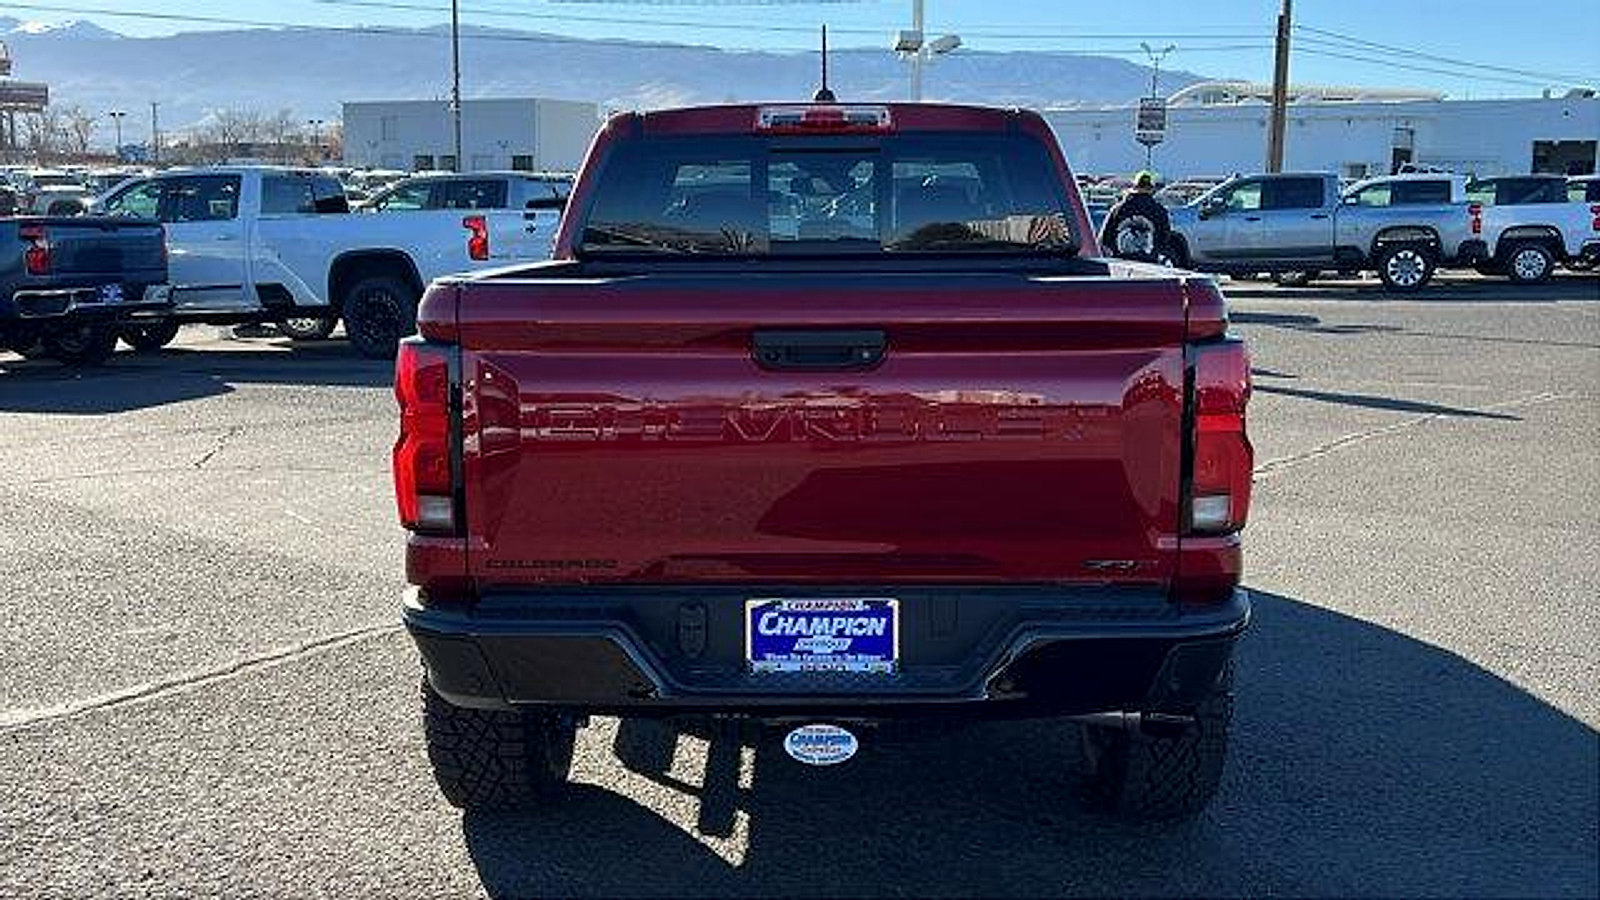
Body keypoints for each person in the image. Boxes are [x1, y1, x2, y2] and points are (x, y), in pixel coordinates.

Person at [1098, 170, 1171, 263]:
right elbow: (1165, 240)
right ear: (1151, 189)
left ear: (1134, 186)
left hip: (1121, 266)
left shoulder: (1117, 209)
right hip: (1150, 267)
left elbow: (1104, 240)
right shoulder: (1160, 211)